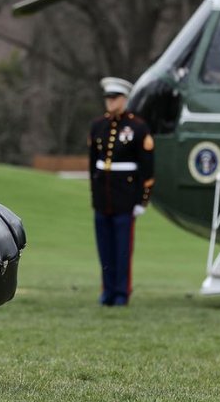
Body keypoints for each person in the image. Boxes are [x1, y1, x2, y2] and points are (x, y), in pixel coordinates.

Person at [88, 77, 154, 306]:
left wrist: (142, 201)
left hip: (125, 199)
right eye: (108, 98)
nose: (110, 102)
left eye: (114, 98)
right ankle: (107, 291)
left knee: (122, 250)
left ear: (124, 99)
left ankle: (121, 292)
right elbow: (93, 166)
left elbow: (147, 168)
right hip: (103, 198)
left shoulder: (138, 127)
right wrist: (94, 195)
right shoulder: (98, 126)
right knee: (105, 249)